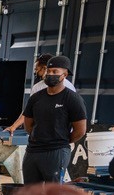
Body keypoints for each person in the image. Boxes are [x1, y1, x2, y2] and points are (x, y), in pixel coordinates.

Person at [18, 55, 87, 184]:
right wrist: (38, 136)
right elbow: (28, 125)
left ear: (65, 75)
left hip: (57, 152)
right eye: (48, 71)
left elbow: (80, 130)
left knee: (53, 194)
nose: (50, 74)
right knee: (29, 193)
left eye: (55, 72)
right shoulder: (36, 98)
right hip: (33, 151)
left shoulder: (72, 99)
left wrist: (60, 140)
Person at [4, 53, 75, 134]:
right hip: (40, 136)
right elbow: (28, 111)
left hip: (60, 136)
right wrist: (13, 127)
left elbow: (75, 119)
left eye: (36, 69)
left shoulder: (68, 87)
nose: (35, 72)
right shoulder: (37, 87)